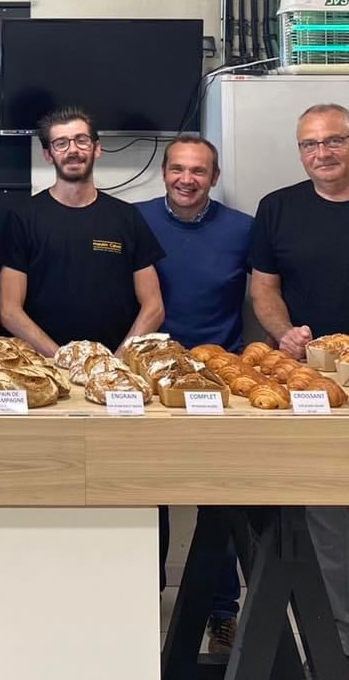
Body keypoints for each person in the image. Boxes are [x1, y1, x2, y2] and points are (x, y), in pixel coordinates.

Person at [136, 136, 251, 654]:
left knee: (219, 499)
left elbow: (267, 291)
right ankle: (143, 600)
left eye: (198, 171)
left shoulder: (243, 229)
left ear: (214, 176)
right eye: (178, 169)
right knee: (144, 495)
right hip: (147, 378)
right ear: (163, 173)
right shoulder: (134, 220)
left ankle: (221, 611)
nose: (187, 179)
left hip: (217, 385)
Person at [250, 103, 349, 664]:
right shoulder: (278, 208)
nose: (322, 153)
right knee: (326, 510)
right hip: (311, 383)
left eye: (333, 141)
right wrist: (284, 334)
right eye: (310, 144)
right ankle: (339, 640)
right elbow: (264, 289)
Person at [0, 105, 165, 356]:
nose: (73, 150)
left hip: (114, 366)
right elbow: (9, 311)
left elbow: (154, 307)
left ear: (96, 149)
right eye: (61, 143)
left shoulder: (127, 216)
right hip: (46, 367)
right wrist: (62, 360)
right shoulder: (23, 218)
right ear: (48, 155)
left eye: (81, 140)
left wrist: (116, 362)